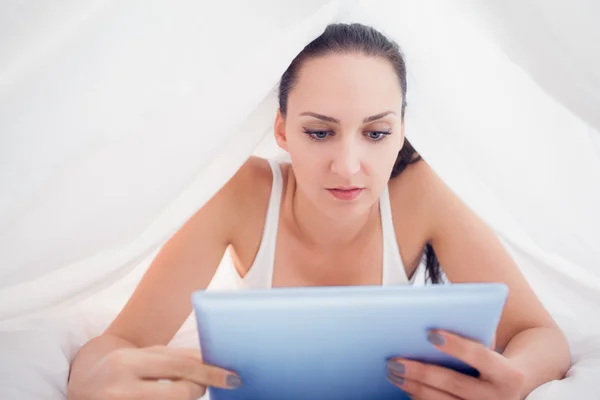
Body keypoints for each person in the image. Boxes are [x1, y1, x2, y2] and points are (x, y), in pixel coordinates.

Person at [67, 23, 570, 400]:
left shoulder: (421, 194)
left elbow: (540, 335)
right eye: (319, 132)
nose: (349, 166)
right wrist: (92, 380)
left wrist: (518, 379)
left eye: (376, 134)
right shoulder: (240, 194)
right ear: (282, 131)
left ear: (401, 132)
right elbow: (121, 342)